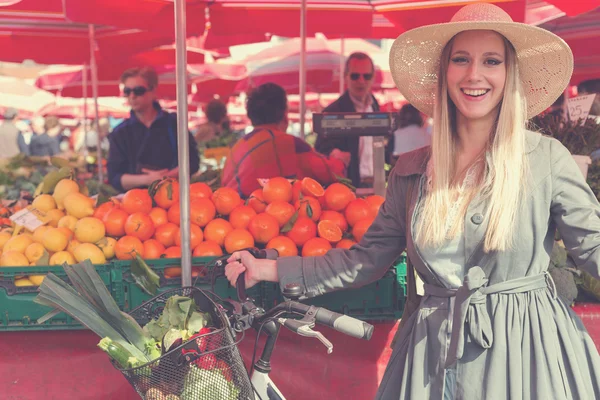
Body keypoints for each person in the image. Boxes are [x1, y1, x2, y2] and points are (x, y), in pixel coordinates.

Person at [225, 3, 600, 399]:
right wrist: (269, 269)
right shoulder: (410, 170)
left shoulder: (545, 159)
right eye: (461, 60)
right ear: (444, 73)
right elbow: (364, 261)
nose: (475, 75)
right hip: (432, 361)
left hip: (526, 359)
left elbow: (593, 245)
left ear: (509, 74)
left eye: (491, 61)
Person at [221, 83, 341, 197]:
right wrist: (340, 160)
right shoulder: (290, 144)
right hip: (277, 214)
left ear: (251, 117)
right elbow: (332, 172)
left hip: (235, 214)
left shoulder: (237, 148)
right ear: (285, 116)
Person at [107, 66, 199, 192]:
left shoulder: (174, 122)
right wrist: (147, 180)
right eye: (127, 91)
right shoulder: (120, 132)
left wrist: (165, 178)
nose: (132, 96)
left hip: (174, 197)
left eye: (138, 90)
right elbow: (115, 177)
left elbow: (192, 162)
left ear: (153, 91)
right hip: (135, 203)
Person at [315, 52, 383, 187]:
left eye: (367, 76)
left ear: (373, 78)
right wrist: (334, 153)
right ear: (345, 76)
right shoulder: (333, 111)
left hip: (376, 185)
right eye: (355, 76)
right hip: (347, 186)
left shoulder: (375, 107)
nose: (361, 81)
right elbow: (320, 148)